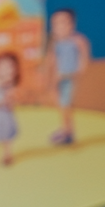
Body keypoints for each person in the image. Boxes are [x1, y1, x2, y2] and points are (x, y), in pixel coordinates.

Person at [43, 9, 89, 146]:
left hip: (69, 77)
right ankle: (66, 130)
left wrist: (74, 72)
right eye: (55, 24)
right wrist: (47, 71)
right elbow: (52, 58)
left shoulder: (78, 41)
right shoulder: (56, 42)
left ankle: (67, 132)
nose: (59, 27)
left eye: (63, 23)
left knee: (65, 104)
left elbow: (83, 60)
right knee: (60, 104)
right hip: (57, 77)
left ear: (72, 24)